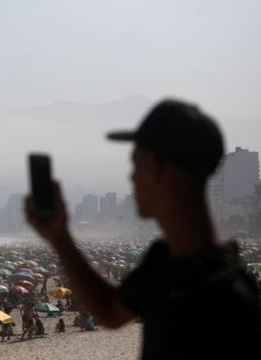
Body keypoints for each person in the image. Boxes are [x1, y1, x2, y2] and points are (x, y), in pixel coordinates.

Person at [25, 99, 261, 359]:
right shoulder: (164, 261)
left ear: (165, 170)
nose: (132, 177)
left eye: (137, 164)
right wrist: (60, 238)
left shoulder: (225, 297)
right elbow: (109, 310)